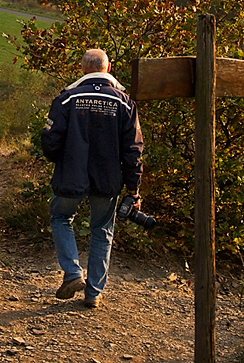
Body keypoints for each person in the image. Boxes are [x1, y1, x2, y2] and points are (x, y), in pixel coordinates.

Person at [41, 48, 143, 308]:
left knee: (61, 217)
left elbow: (50, 140)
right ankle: (94, 293)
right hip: (108, 178)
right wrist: (134, 189)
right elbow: (133, 149)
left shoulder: (66, 99)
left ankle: (73, 273)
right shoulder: (124, 102)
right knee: (102, 230)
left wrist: (61, 160)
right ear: (107, 69)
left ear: (83, 69)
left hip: (70, 174)